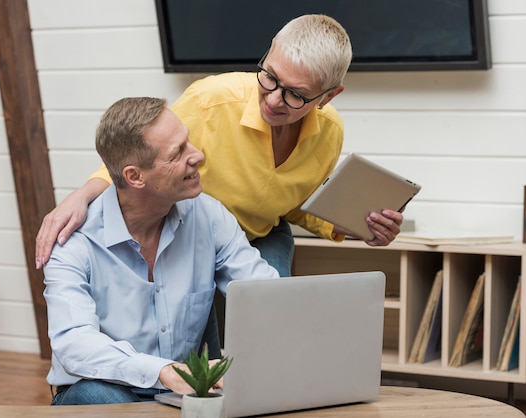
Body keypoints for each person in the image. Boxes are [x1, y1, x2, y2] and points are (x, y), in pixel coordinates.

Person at [36, 14, 403, 358]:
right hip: (194, 233)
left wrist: (356, 225)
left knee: (271, 325)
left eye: (295, 95)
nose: (273, 99)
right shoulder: (210, 100)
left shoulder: (330, 132)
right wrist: (82, 195)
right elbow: (143, 157)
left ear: (328, 96)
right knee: (207, 351)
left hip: (260, 236)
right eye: (270, 77)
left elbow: (295, 203)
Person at [44, 97, 279, 405]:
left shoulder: (208, 217)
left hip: (178, 393)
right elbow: (74, 343)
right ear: (135, 176)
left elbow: (264, 292)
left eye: (189, 142)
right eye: (177, 153)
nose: (198, 156)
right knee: (101, 396)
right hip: (103, 390)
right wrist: (165, 371)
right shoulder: (73, 240)